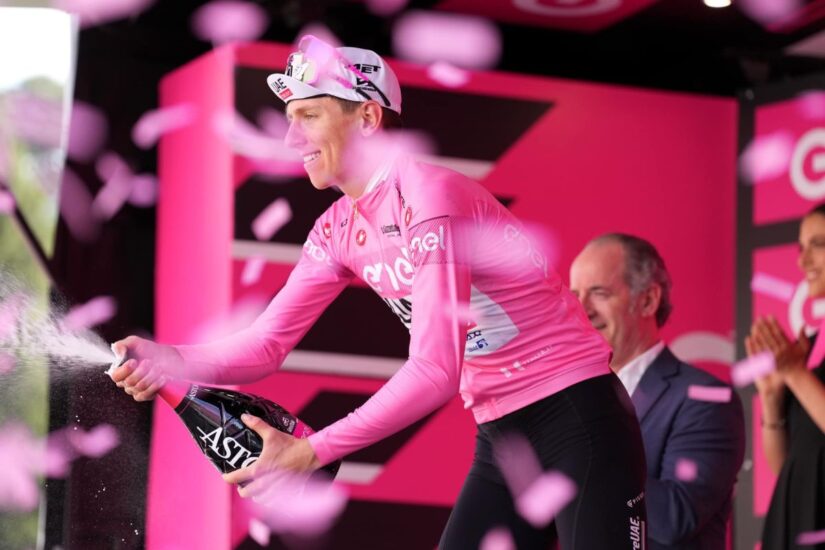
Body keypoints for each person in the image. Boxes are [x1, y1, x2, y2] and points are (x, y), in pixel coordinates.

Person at [111, 35, 648, 549]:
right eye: (289, 117)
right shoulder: (336, 228)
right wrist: (170, 360)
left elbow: (436, 372)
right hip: (502, 432)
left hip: (579, 417)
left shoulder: (429, 197)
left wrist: (311, 451)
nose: (290, 138)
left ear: (366, 117)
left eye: (309, 115)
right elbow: (266, 345)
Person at [569, 233, 744, 550]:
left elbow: (675, 518)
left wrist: (580, 452)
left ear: (648, 300)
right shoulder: (571, 399)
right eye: (574, 295)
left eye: (599, 293)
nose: (582, 310)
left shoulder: (705, 400)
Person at [747, 203, 825, 550]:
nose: (802, 261)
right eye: (800, 248)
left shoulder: (798, 361)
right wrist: (772, 399)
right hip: (794, 523)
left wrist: (795, 374)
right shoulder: (808, 344)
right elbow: (786, 465)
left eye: (818, 245)